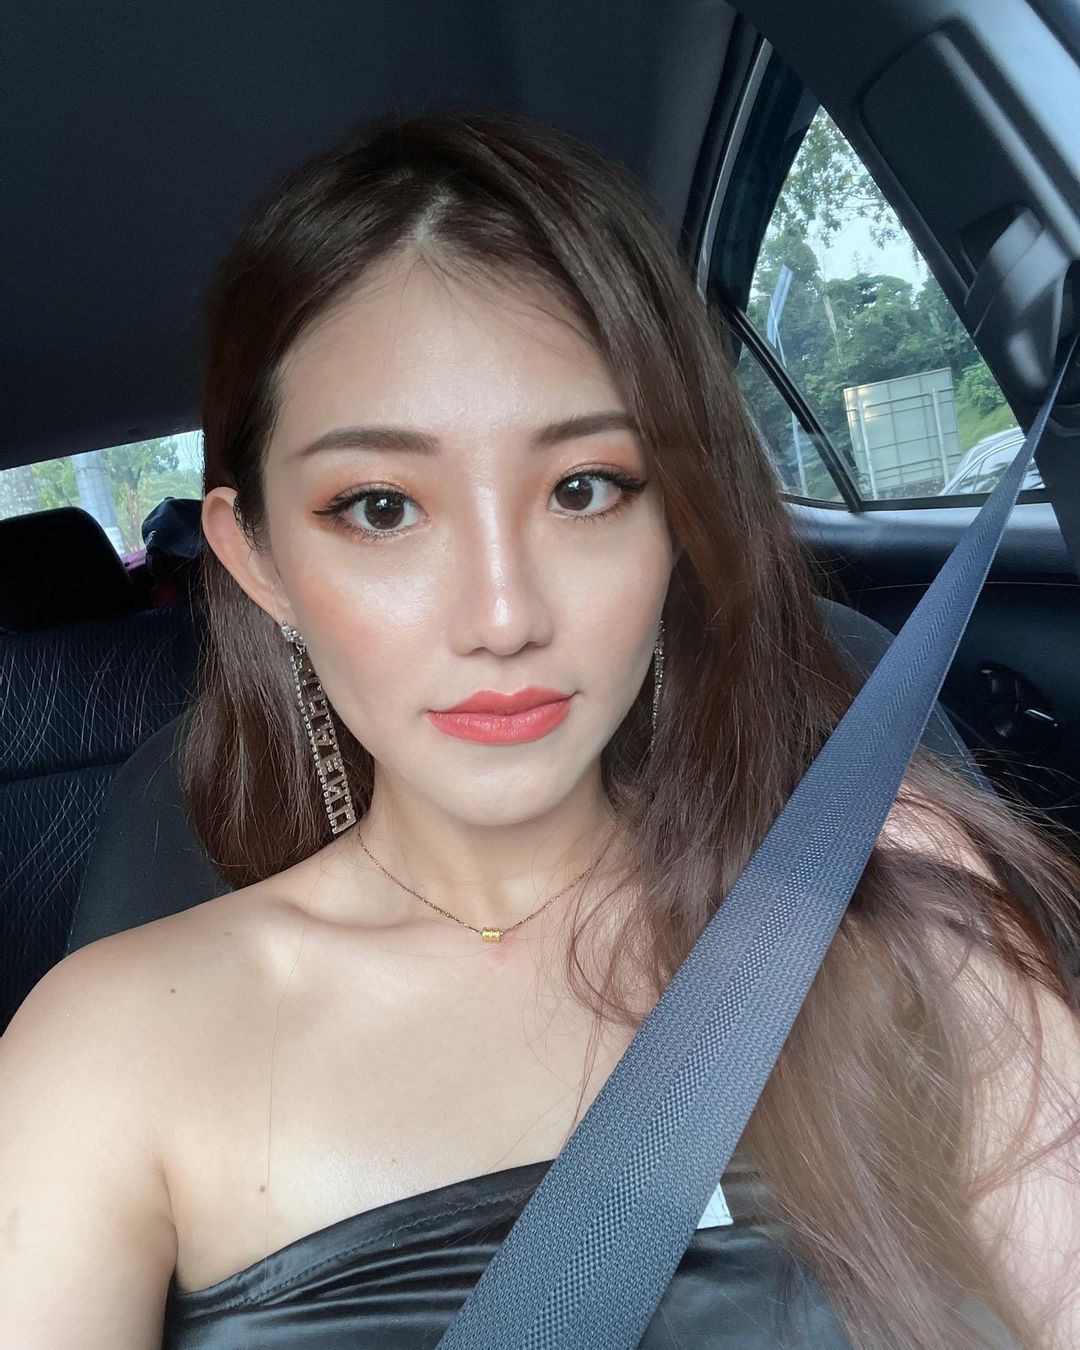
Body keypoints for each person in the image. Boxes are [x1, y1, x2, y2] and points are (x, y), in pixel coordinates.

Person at [2, 106, 1079, 1350]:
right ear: (260, 563)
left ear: (675, 521)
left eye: (584, 488)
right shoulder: (107, 1050)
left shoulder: (896, 900)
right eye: (381, 507)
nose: (504, 616)